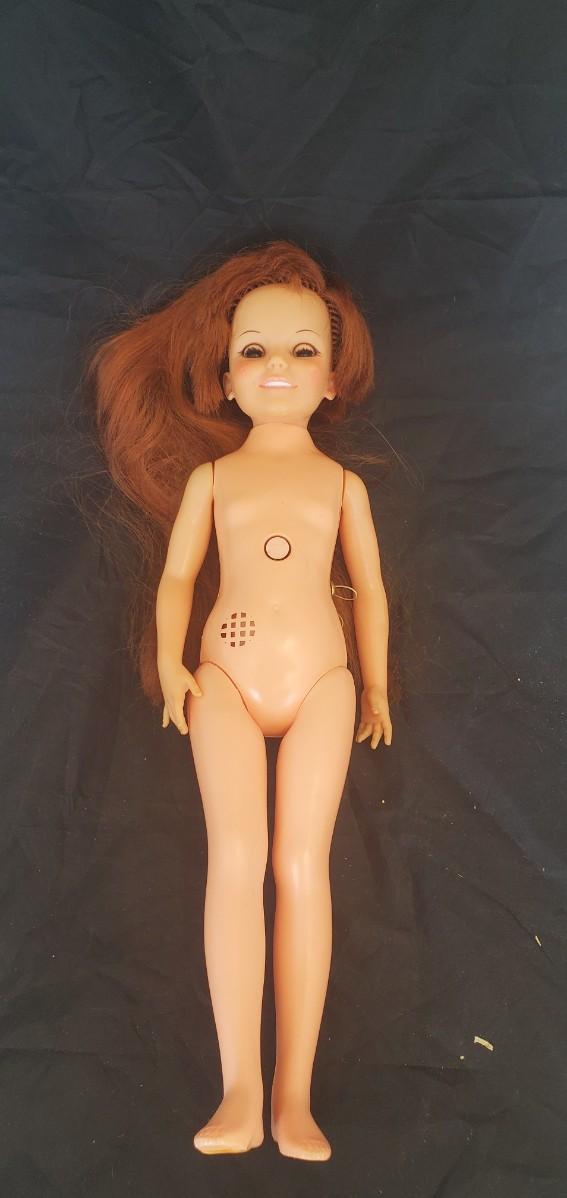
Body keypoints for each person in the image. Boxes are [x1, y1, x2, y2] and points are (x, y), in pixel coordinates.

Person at [87, 239, 394, 1161]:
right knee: (236, 860)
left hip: (325, 683)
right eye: (253, 351)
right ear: (223, 378)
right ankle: (239, 1089)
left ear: (332, 378)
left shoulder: (342, 486)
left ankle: (293, 1096)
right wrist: (172, 662)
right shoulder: (212, 480)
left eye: (302, 350)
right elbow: (179, 576)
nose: (277, 368)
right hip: (221, 676)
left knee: (302, 867)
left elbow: (371, 592)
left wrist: (376, 683)